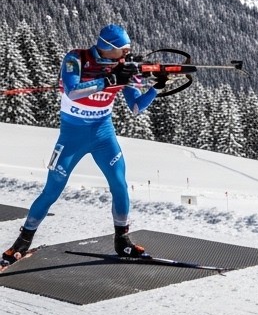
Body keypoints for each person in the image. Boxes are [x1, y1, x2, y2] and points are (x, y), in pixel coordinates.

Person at [2, 24, 158, 265]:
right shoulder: (75, 59)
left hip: (103, 136)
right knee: (52, 190)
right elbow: (73, 91)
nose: (127, 54)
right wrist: (111, 79)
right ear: (109, 47)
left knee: (119, 184)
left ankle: (122, 240)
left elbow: (136, 107)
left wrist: (157, 87)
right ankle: (21, 243)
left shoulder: (124, 67)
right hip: (72, 138)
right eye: (124, 49)